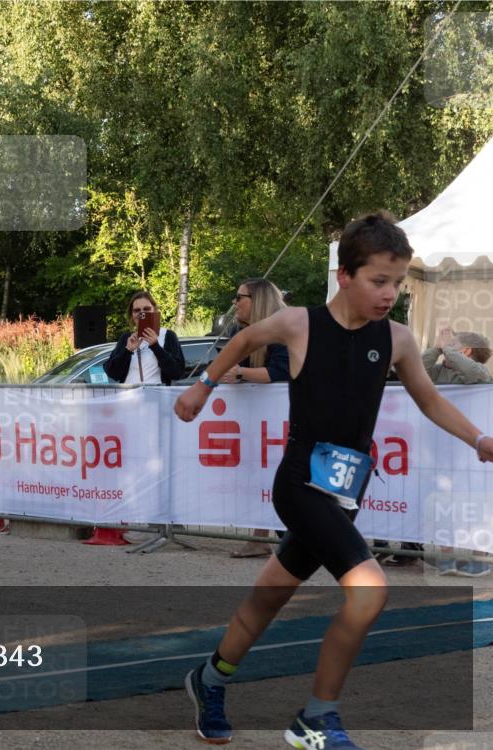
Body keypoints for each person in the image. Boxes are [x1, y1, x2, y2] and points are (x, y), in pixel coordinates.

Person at [174, 211, 492, 749]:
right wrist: (202, 387)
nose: (390, 293)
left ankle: (208, 680)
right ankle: (315, 718)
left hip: (346, 492)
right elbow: (244, 335)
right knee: (370, 591)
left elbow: (431, 399)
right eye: (378, 281)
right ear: (344, 275)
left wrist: (480, 440)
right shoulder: (300, 324)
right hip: (298, 485)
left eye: (396, 282)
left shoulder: (396, 340)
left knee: (268, 596)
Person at [220, 278, 290, 558]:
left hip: (286, 420)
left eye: (240, 297)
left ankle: (293, 541)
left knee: (282, 478)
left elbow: (280, 373)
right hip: (261, 423)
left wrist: (240, 374)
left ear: (258, 300)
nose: (235, 302)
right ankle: (259, 537)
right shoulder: (245, 332)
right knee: (259, 477)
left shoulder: (282, 329)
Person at [424, 328, 492, 577]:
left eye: (454, 344)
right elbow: (416, 369)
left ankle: (479, 559)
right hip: (441, 450)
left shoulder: (477, 372)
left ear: (466, 351)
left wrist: (449, 349)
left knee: (475, 504)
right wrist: (437, 348)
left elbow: (475, 373)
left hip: (471, 453)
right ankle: (446, 558)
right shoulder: (440, 371)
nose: (446, 347)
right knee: (444, 503)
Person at [103, 291, 185, 384]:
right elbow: (112, 373)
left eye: (146, 309)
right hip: (128, 395)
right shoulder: (127, 338)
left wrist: (156, 346)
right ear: (132, 315)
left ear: (154, 310)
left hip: (157, 395)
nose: (142, 313)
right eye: (137, 310)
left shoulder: (167, 335)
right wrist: (128, 350)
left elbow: (177, 373)